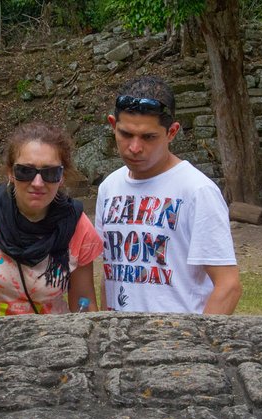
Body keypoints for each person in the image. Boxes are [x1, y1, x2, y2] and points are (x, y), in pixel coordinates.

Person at [95, 75, 242, 314]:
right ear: (113, 125)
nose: (134, 147)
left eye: (148, 137)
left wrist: (198, 345)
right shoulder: (109, 188)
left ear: (172, 132)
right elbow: (110, 273)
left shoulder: (196, 191)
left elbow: (228, 286)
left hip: (175, 341)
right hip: (121, 340)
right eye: (125, 134)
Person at [0, 122, 103, 317]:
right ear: (11, 172)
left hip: (53, 342)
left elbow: (84, 301)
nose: (37, 183)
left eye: (50, 173)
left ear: (62, 176)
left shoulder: (77, 226)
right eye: (26, 171)